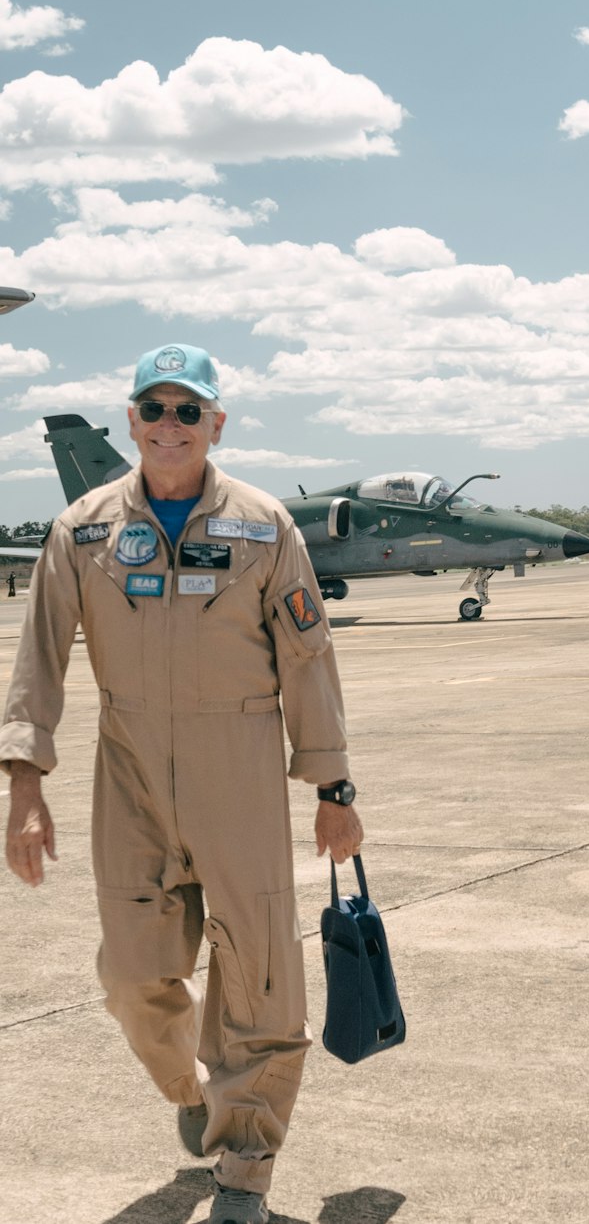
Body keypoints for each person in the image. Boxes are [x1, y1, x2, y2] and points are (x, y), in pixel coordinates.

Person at [2, 343, 363, 1224]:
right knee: (132, 977)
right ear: (130, 420)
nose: (171, 425)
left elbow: (308, 660)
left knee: (261, 978)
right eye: (154, 409)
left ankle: (245, 1162)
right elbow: (39, 657)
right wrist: (23, 782)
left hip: (238, 759)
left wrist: (333, 787)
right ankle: (191, 1091)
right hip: (127, 768)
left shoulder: (263, 524)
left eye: (187, 410)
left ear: (215, 424)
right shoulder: (82, 529)